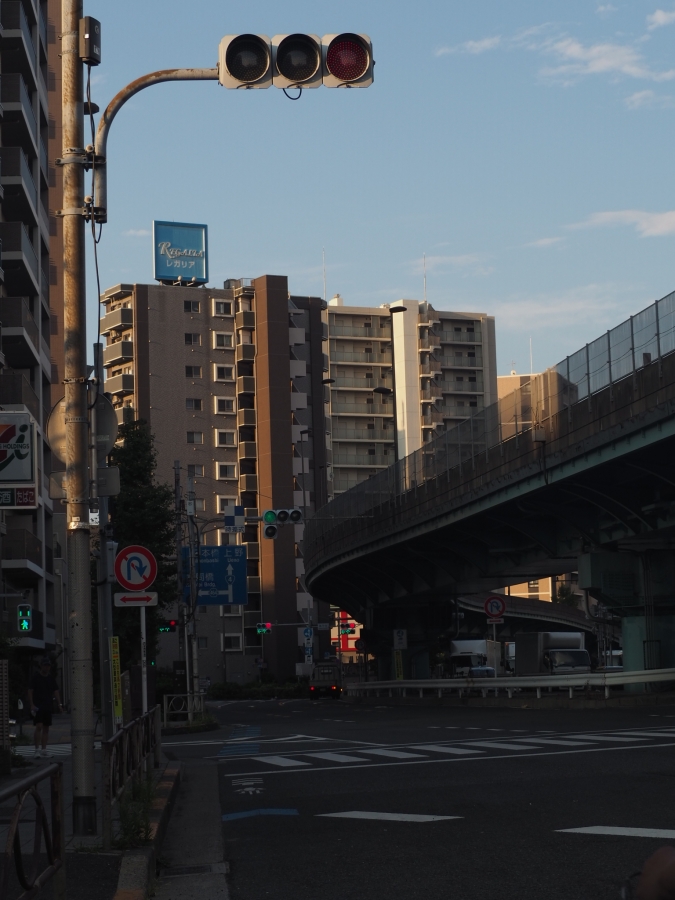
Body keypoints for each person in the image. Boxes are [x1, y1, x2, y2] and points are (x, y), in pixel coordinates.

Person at [27, 658, 63, 759]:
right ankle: (37, 750)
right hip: (38, 706)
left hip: (48, 705)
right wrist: (32, 704)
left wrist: (59, 704)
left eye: (48, 666)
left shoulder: (51, 678)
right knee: (39, 726)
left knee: (46, 728)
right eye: (45, 665)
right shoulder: (36, 677)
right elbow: (30, 691)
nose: (46, 667)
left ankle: (44, 750)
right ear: (41, 666)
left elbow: (56, 691)